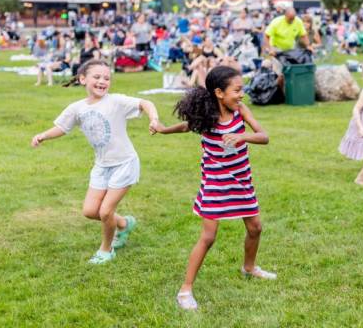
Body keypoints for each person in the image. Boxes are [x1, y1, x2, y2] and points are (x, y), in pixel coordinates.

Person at [152, 66, 275, 311]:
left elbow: (264, 136)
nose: (241, 94)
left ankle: (249, 268)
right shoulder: (207, 117)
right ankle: (185, 290)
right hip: (215, 182)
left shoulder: (241, 111)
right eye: (236, 90)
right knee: (208, 237)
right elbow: (185, 127)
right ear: (219, 92)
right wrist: (163, 129)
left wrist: (243, 137)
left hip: (241, 181)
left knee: (255, 227)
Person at [30, 60, 160, 264]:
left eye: (106, 78)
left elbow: (145, 103)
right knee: (90, 211)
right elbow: (63, 127)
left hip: (124, 163)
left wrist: (153, 118)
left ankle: (106, 250)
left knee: (105, 211)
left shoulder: (115, 101)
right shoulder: (77, 108)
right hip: (101, 165)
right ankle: (124, 224)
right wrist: (43, 135)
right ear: (83, 79)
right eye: (97, 77)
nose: (102, 81)